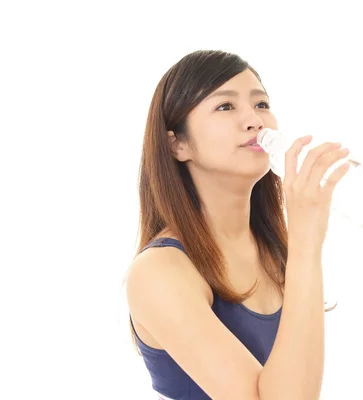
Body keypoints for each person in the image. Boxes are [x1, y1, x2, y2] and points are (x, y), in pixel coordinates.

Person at [125, 50, 351, 400]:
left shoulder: (273, 250)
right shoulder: (159, 271)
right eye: (225, 107)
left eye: (261, 104)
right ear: (177, 143)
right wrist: (307, 241)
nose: (255, 120)